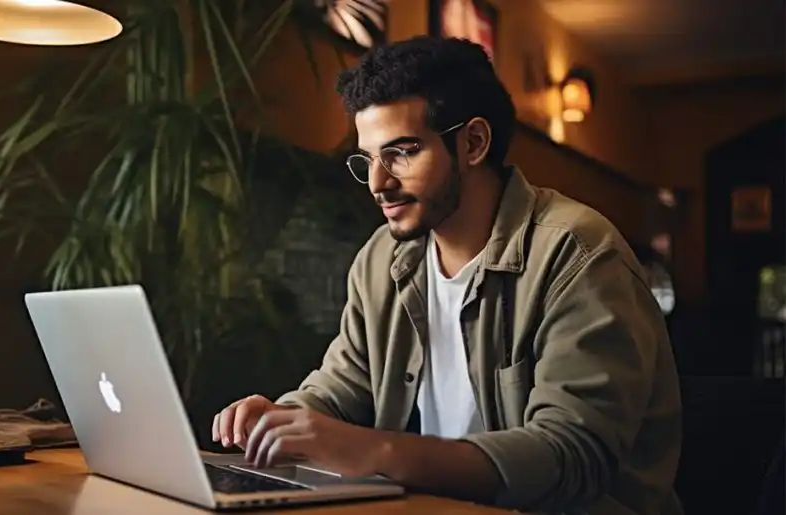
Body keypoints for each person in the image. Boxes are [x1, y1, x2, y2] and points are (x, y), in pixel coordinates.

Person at [211, 36, 683, 514]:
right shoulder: (382, 258)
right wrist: (282, 419)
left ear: (473, 143)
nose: (378, 183)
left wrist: (374, 450)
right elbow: (342, 388)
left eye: (401, 153)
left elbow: (571, 457)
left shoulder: (578, 255)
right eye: (369, 158)